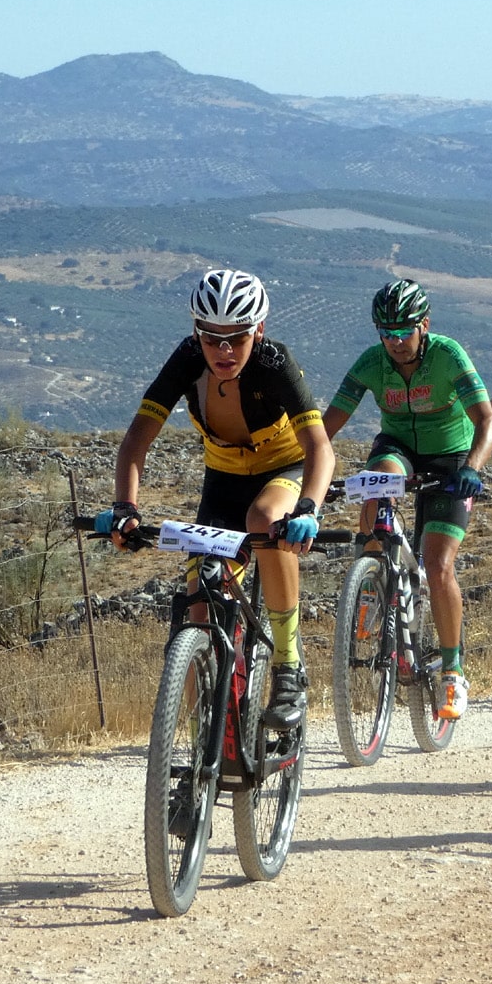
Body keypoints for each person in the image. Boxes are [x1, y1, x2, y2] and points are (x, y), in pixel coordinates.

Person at [98, 268, 334, 729]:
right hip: (223, 479)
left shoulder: (274, 363)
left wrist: (308, 509)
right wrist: (125, 508)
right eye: (211, 339)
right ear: (196, 333)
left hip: (282, 471)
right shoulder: (187, 360)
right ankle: (196, 743)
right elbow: (135, 442)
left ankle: (288, 665)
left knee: (265, 518)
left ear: (258, 331)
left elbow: (319, 447)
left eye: (237, 338)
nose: (224, 351)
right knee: (198, 608)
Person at [321, 279, 492, 721]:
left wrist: (472, 468)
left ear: (425, 325)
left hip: (452, 458)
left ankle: (453, 672)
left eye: (404, 332)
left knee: (438, 566)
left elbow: (487, 420)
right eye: (387, 333)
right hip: (398, 447)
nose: (396, 342)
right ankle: (371, 578)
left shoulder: (448, 354)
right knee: (378, 480)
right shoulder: (371, 362)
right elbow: (326, 427)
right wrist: (308, 475)